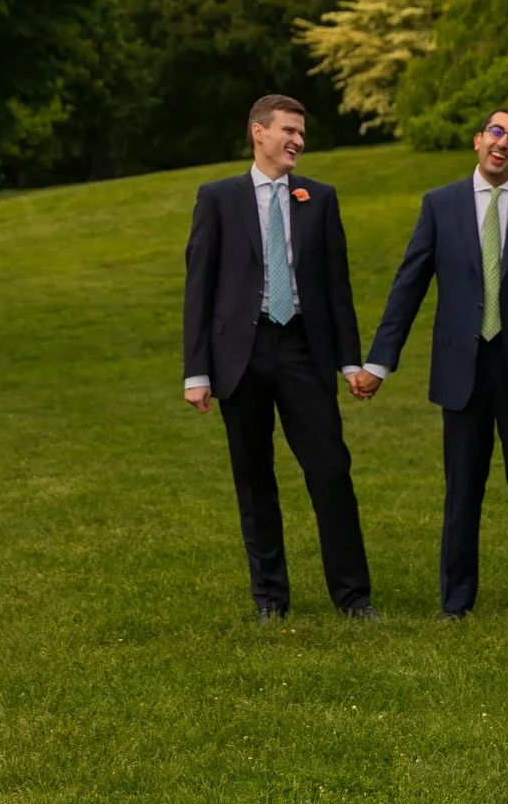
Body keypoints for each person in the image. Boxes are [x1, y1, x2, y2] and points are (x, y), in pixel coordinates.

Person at [362, 107, 508, 618]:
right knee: (462, 489)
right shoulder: (440, 205)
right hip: (460, 369)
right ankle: (456, 602)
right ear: (478, 140)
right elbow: (408, 286)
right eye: (496, 132)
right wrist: (380, 362)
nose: (503, 143)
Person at [182, 94, 381, 622]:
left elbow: (338, 290)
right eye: (288, 131)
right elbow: (198, 289)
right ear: (258, 132)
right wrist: (196, 372)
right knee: (254, 478)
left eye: (301, 134)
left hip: (302, 351)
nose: (297, 141)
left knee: (331, 470)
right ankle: (270, 597)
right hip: (239, 356)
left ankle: (353, 598)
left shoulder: (320, 197)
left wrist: (349, 362)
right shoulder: (218, 198)